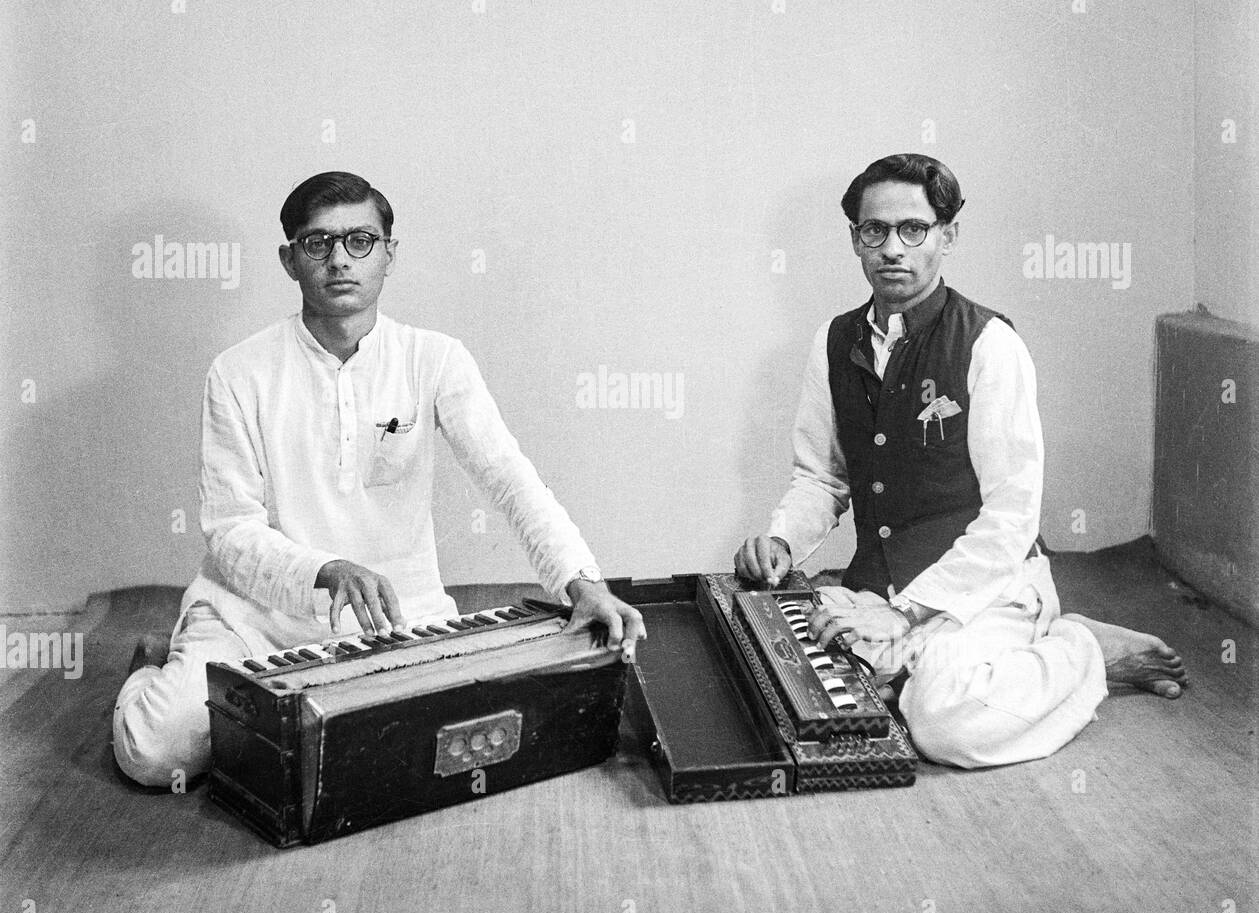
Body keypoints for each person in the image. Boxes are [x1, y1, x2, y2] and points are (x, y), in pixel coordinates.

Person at [114, 171, 645, 786]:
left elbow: (511, 480)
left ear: (390, 253)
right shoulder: (239, 373)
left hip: (395, 616)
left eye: (361, 241)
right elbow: (230, 532)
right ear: (290, 260)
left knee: (422, 753)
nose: (341, 260)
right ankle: (152, 669)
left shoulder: (435, 359)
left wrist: (582, 582)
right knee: (159, 754)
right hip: (250, 617)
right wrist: (327, 569)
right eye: (318, 244)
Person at [735, 153, 1184, 769]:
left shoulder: (989, 344)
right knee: (773, 672)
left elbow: (1011, 517)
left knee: (943, 724)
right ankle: (921, 662)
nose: (893, 247)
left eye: (913, 230)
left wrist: (904, 612)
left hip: (984, 587)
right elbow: (823, 477)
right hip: (876, 588)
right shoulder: (833, 341)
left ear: (948, 236)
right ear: (856, 241)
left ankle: (1081, 649)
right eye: (875, 231)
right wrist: (782, 540)